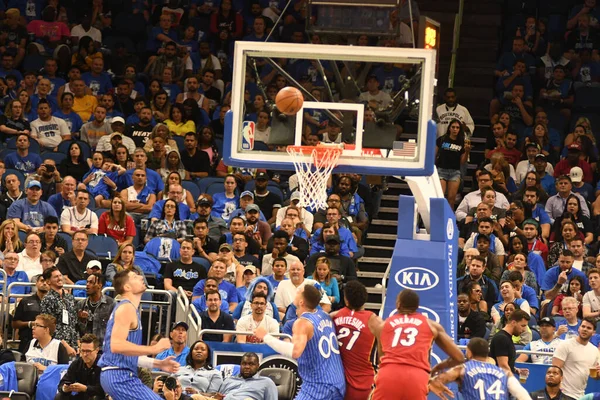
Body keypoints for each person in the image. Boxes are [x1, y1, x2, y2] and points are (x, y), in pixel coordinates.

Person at [98, 269, 179, 400]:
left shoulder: (129, 309)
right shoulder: (126, 308)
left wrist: (159, 364)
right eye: (135, 277)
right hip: (119, 376)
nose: (141, 277)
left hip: (115, 374)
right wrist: (154, 349)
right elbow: (116, 345)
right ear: (127, 287)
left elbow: (126, 356)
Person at [369, 289, 465, 400]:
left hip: (389, 374)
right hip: (417, 377)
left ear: (398, 304)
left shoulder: (383, 326)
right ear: (417, 306)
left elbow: (382, 358)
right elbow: (459, 357)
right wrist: (438, 368)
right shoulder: (432, 325)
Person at [255, 284, 346, 399]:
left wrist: (266, 337)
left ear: (301, 302)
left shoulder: (302, 323)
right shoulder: (324, 315)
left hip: (318, 386)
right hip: (338, 382)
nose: (296, 291)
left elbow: (295, 351)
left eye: (299, 291)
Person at [428, 337, 531, 400]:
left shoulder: (462, 369)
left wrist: (433, 382)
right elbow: (523, 395)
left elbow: (437, 381)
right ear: (487, 354)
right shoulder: (504, 372)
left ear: (469, 352)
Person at [332, 281, 382, 400]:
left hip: (339, 382)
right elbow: (383, 356)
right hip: (365, 383)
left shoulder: (334, 316)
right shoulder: (375, 321)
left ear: (346, 300)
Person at [552, 318, 600, 399]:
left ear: (593, 333)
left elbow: (595, 376)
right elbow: (555, 369)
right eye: (583, 326)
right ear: (579, 328)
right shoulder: (565, 345)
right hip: (563, 393)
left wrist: (598, 374)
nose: (585, 329)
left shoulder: (595, 350)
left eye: (588, 328)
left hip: (581, 395)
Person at [40, 267, 78, 355]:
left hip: (73, 345)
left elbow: (74, 323)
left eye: (60, 275)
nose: (60, 278)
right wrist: (65, 346)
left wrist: (77, 343)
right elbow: (49, 327)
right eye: (56, 277)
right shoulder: (47, 300)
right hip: (56, 346)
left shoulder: (70, 298)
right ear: (48, 281)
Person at [55, 333, 104, 400]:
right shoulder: (77, 363)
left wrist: (85, 388)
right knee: (60, 396)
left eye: (88, 351)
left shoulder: (103, 365)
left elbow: (103, 390)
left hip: (97, 396)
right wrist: (65, 388)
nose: (84, 354)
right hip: (80, 396)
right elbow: (63, 382)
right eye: (82, 351)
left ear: (97, 350)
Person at [76, 272, 115, 347]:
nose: (87, 285)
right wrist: (82, 321)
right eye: (87, 282)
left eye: (91, 282)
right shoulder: (81, 305)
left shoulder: (111, 304)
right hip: (86, 348)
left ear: (100, 285)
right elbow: (77, 329)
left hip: (104, 348)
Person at [13, 274, 49, 353]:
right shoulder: (25, 301)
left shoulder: (54, 303)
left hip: (48, 343)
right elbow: (14, 323)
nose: (45, 283)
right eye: (42, 281)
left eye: (47, 281)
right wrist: (30, 324)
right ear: (36, 283)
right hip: (27, 341)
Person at [490, 309, 530, 374]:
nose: (524, 330)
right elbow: (503, 366)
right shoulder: (502, 338)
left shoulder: (506, 338)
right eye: (523, 326)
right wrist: (513, 382)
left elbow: (506, 363)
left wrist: (515, 370)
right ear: (513, 322)